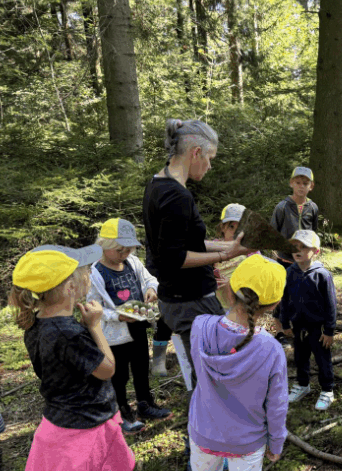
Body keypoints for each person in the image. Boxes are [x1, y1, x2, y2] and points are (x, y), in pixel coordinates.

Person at [10, 244, 137, 471]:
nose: (90, 273)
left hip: (61, 426)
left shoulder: (37, 325)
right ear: (70, 288)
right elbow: (107, 368)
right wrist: (95, 327)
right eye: (85, 272)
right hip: (88, 430)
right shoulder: (69, 333)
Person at [185, 254, 288, 471]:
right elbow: (277, 405)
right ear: (274, 304)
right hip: (247, 441)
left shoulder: (200, 326)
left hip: (203, 432)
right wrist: (276, 442)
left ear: (229, 289)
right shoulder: (271, 350)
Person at [143, 119, 249, 391]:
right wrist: (226, 257)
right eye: (210, 158)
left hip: (178, 298)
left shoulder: (157, 183)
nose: (210, 166)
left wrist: (227, 247)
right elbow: (175, 258)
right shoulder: (177, 196)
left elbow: (183, 241)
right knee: (211, 376)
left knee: (206, 370)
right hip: (190, 301)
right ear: (195, 153)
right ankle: (210, 428)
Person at [88, 218, 172, 434]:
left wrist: (152, 289)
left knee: (141, 366)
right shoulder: (96, 272)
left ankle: (145, 403)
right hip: (115, 334)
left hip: (138, 325)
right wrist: (118, 316)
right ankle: (122, 411)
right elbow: (95, 307)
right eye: (119, 250)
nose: (124, 253)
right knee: (119, 375)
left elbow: (149, 279)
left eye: (128, 249)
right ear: (104, 245)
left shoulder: (133, 262)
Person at [280, 230, 337, 411]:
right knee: (300, 357)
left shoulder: (322, 275)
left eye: (304, 247)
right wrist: (284, 322)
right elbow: (284, 299)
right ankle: (303, 384)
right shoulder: (290, 273)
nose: (298, 250)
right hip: (298, 326)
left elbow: (330, 304)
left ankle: (327, 390)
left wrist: (329, 330)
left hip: (317, 328)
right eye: (295, 247)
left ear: (316, 251)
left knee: (322, 359)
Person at [270, 166, 319, 346]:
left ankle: (299, 328)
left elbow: (314, 233)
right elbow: (273, 233)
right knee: (282, 295)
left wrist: (312, 252)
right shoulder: (282, 207)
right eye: (297, 183)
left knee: (302, 293)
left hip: (304, 260)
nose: (301, 186)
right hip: (284, 259)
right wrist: (276, 252)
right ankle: (280, 331)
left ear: (311, 186)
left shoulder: (312, 208)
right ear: (291, 183)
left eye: (305, 183)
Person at [213, 203, 249, 308]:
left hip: (239, 302)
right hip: (216, 302)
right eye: (231, 227)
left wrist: (231, 283)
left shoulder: (249, 250)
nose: (236, 233)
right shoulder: (214, 247)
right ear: (223, 227)